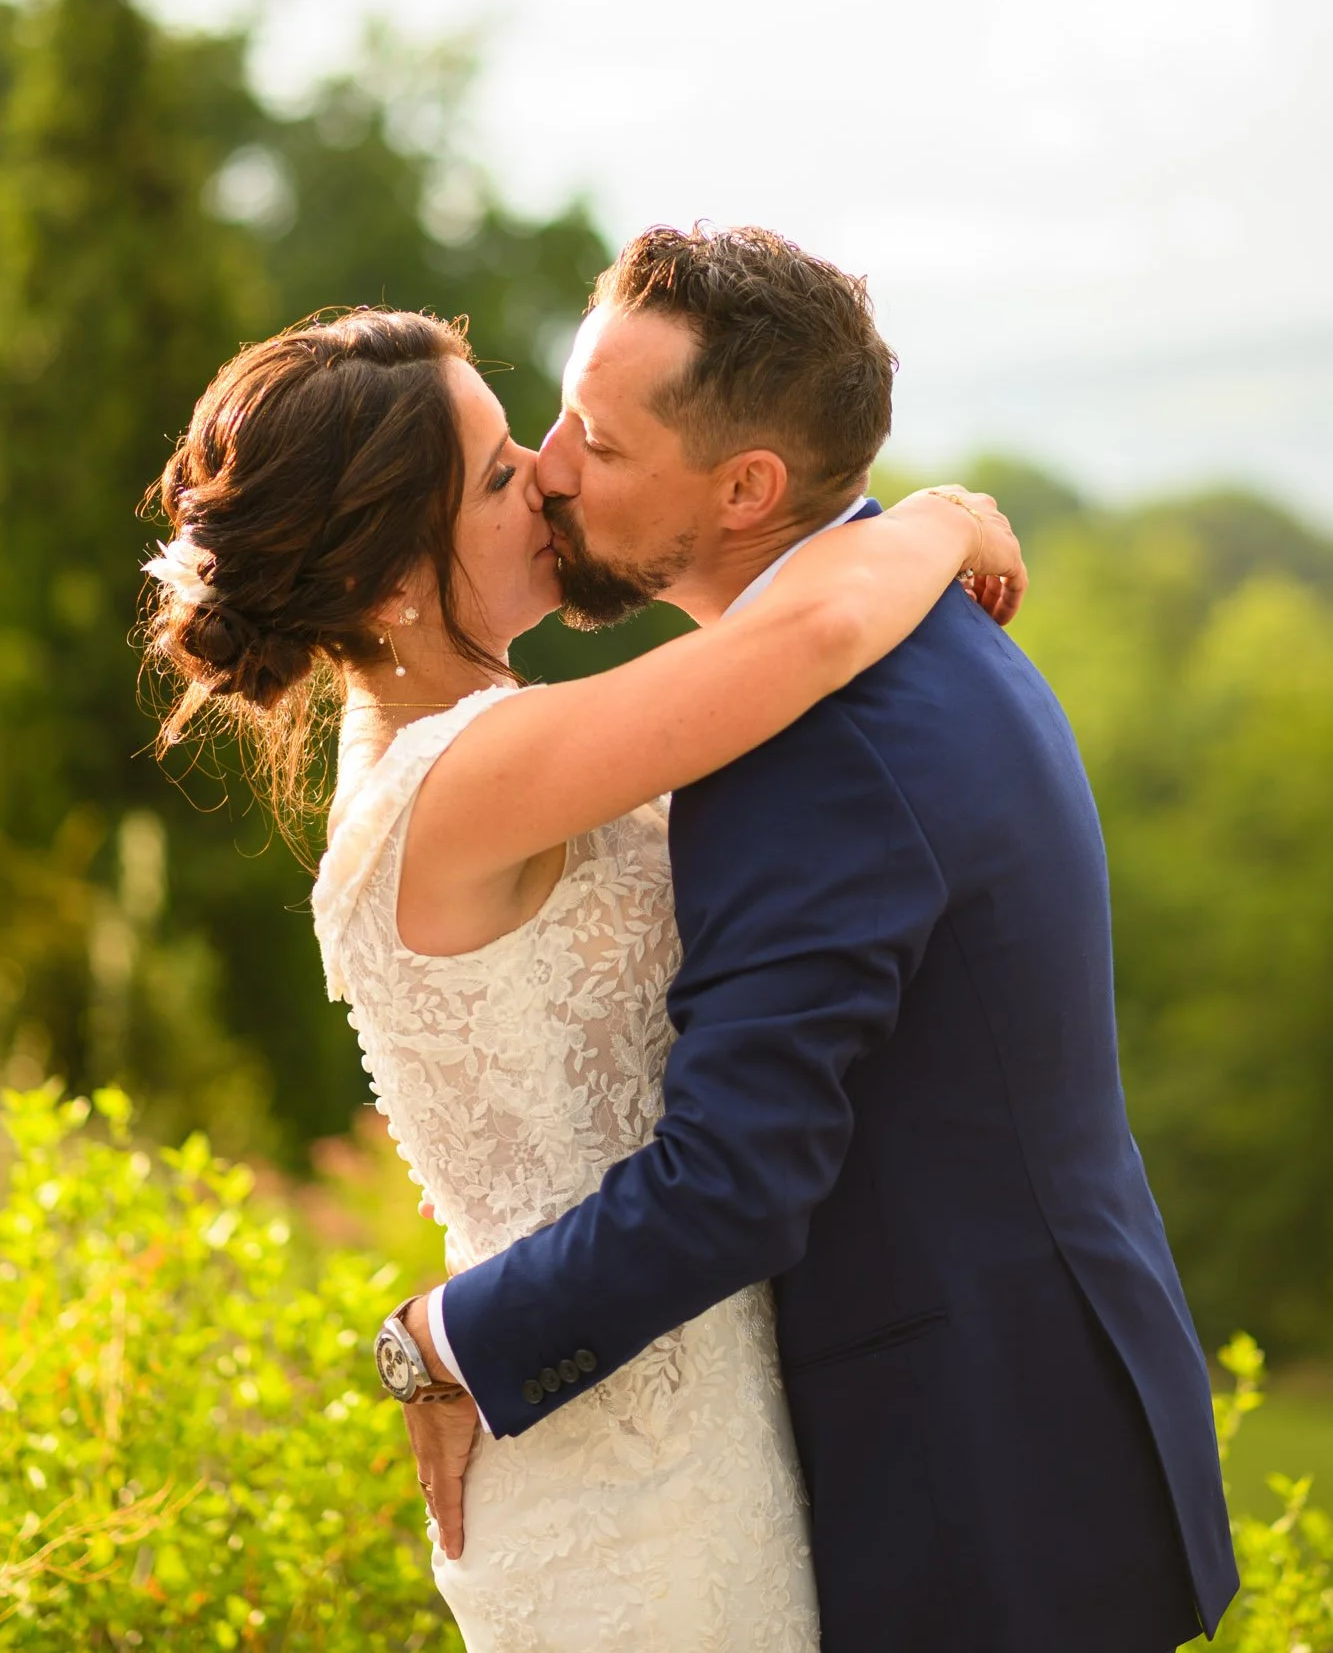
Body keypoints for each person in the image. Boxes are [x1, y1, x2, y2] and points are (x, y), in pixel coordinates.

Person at [142, 299, 1025, 1651]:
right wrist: (946, 520)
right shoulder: (472, 770)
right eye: (499, 475)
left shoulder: (442, 753)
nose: (547, 477)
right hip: (632, 1495)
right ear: (390, 584)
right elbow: (806, 642)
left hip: (643, 1418)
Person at [414, 225, 1240, 1653]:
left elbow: (734, 1183)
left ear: (747, 488)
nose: (549, 467)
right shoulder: (923, 631)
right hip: (1061, 1422)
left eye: (598, 444)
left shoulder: (810, 749)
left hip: (982, 1489)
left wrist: (441, 1339)